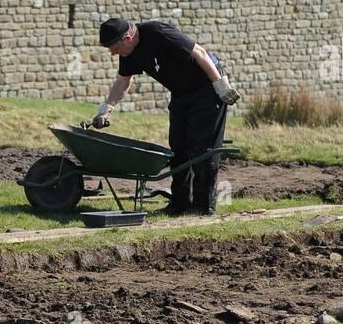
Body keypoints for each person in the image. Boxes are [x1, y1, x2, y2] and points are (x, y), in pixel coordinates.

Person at [94, 17, 240, 216]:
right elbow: (122, 82)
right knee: (178, 148)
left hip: (206, 88)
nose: (113, 53)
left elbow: (200, 52)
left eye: (114, 48)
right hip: (181, 93)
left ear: (128, 37)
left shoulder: (158, 32)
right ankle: (180, 204)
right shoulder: (128, 52)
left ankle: (203, 206)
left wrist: (220, 85)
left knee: (202, 148)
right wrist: (106, 108)